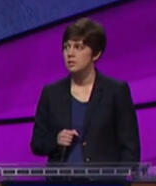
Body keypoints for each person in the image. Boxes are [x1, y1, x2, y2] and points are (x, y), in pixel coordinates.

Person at [30, 18, 140, 164]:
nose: (70, 53)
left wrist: (122, 177)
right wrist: (56, 140)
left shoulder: (116, 92)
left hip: (103, 179)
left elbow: (130, 148)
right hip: (62, 178)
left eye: (78, 47)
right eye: (66, 47)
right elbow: (37, 143)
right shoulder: (51, 93)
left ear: (96, 54)